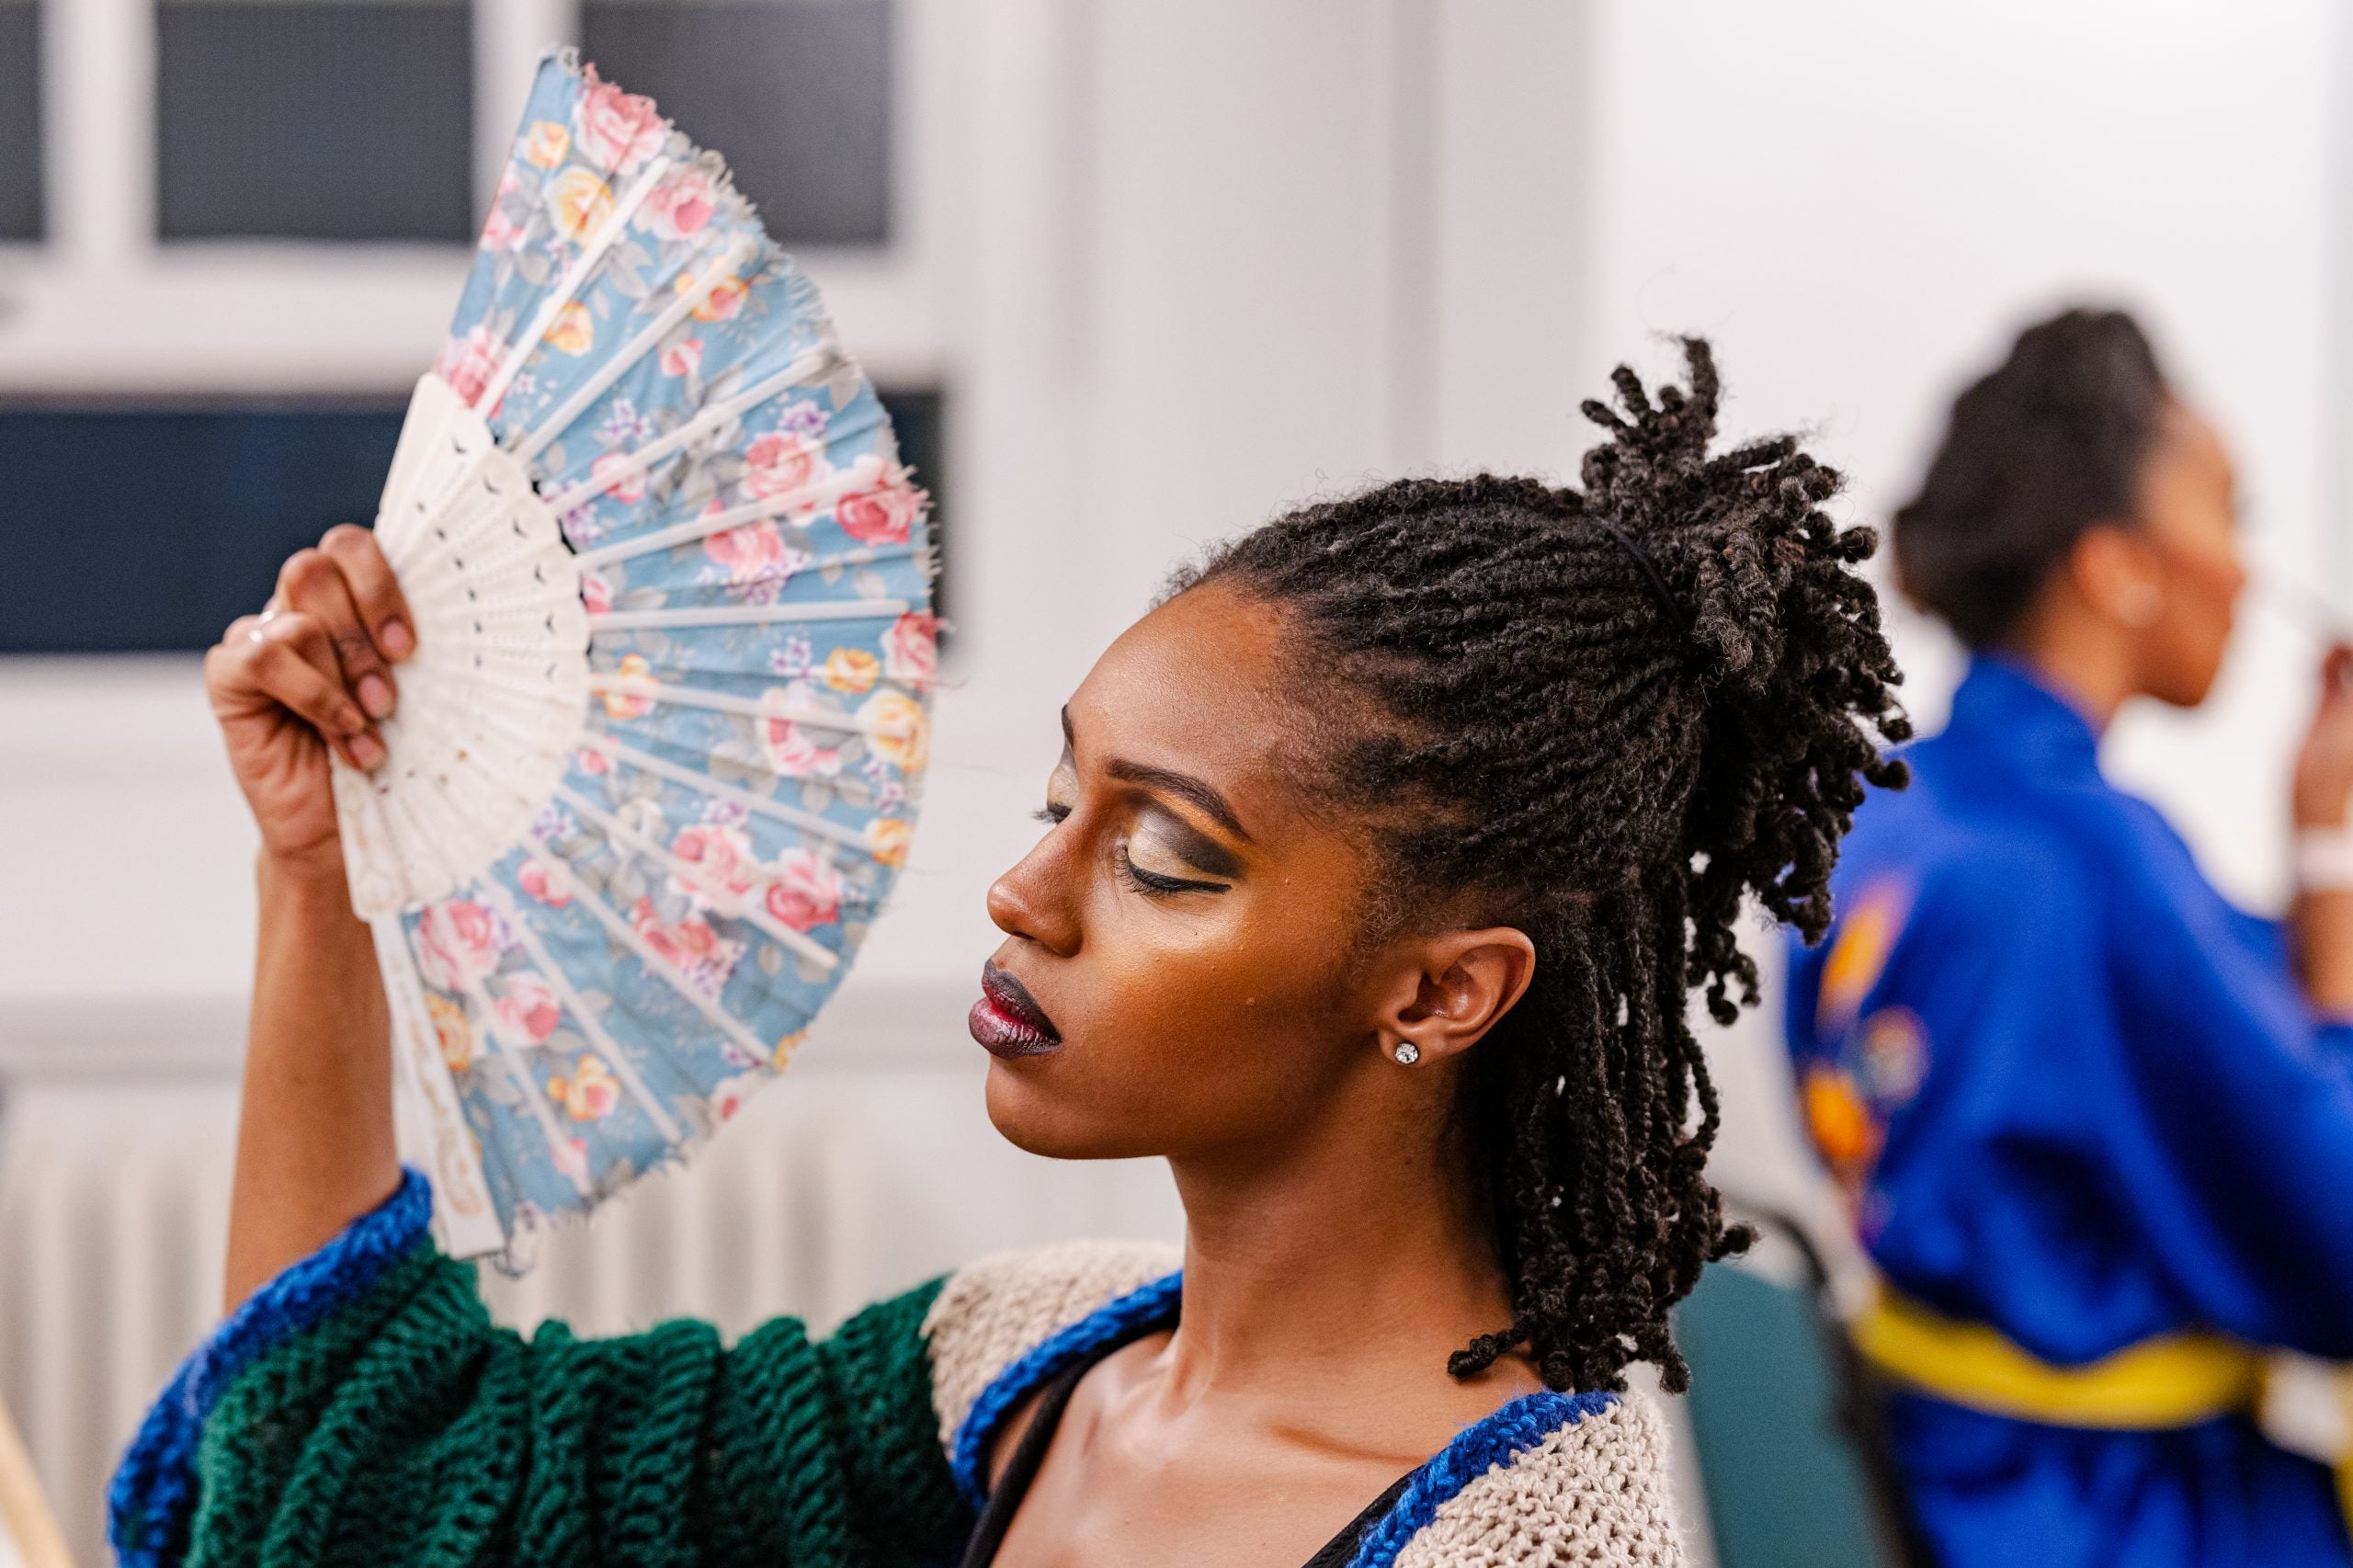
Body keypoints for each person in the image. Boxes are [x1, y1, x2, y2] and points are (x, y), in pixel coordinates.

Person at [109, 341, 1906, 1568]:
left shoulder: (1525, 1544)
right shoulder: (1024, 1364)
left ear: (1440, 987)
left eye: (1161, 855)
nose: (1022, 894)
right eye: (1061, 793)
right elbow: (370, 1480)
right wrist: (317, 868)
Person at [1785, 308, 2353, 1567]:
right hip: (2124, 1519)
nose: (2250, 572)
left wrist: (2319, 863)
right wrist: (2338, 888)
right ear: (2119, 567)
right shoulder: (2096, 864)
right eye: (2231, 511)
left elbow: (2180, 996)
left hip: (1944, 1476)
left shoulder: (1880, 814)